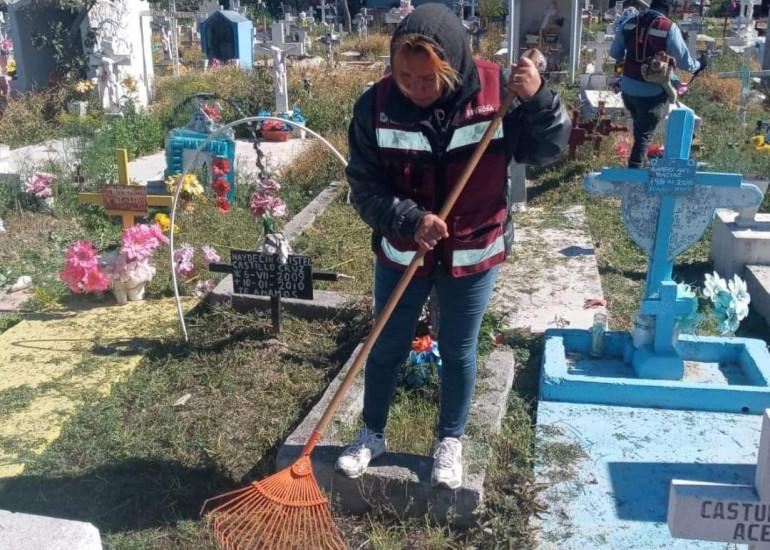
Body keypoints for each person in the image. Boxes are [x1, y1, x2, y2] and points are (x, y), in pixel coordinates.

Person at [336, 3, 570, 490]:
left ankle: (450, 440)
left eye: (428, 79)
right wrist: (409, 219)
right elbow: (365, 187)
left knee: (459, 349)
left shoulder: (497, 94)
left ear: (454, 65)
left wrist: (539, 100)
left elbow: (547, 149)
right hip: (405, 251)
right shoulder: (375, 107)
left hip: (473, 251)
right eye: (405, 77)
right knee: (386, 344)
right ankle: (371, 433)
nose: (415, 88)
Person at [610, 0, 705, 168]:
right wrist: (700, 65)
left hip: (628, 88)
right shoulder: (668, 27)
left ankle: (642, 164)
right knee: (644, 136)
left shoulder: (630, 23)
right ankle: (634, 174)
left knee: (640, 129)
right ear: (668, 9)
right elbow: (686, 63)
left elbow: (615, 52)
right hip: (651, 92)